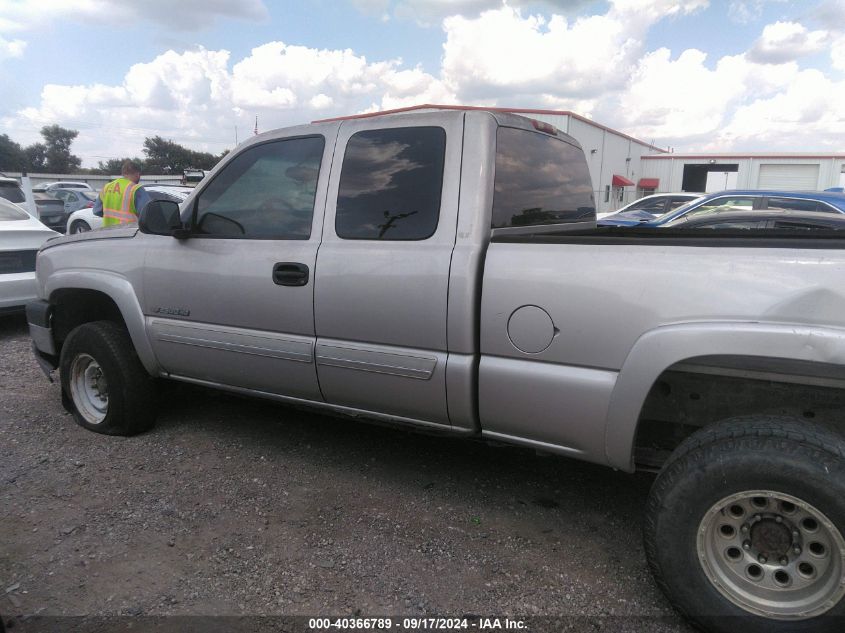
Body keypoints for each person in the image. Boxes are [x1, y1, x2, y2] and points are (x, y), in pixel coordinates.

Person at [93, 161, 151, 227]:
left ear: (123, 173)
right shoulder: (136, 189)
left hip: (108, 233)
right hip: (129, 233)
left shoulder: (107, 187)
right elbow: (148, 214)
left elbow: (96, 211)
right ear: (137, 174)